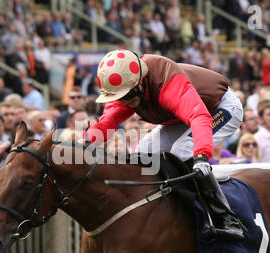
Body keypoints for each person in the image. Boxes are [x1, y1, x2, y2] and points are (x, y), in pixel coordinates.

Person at [85, 49, 245, 242]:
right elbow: (106, 123)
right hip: (180, 116)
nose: (124, 102)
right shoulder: (125, 88)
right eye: (120, 98)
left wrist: (201, 156)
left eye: (127, 96)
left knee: (183, 150)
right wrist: (84, 142)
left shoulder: (166, 81)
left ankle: (227, 220)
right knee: (142, 154)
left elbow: (199, 116)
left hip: (219, 108)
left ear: (140, 81)